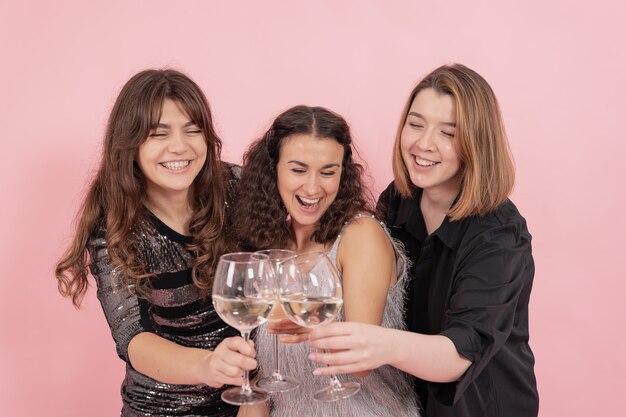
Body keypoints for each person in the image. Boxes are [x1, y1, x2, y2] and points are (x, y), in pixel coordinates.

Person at [308, 64, 539, 417]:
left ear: (477, 144)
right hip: (409, 403)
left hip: (480, 407)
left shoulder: (500, 236)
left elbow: (459, 354)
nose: (423, 143)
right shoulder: (398, 201)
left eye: (448, 133)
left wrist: (377, 344)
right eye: (415, 124)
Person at [55, 69, 257, 417]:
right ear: (130, 145)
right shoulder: (115, 227)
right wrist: (208, 365)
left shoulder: (236, 188)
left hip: (248, 403)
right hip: (160, 410)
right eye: (158, 134)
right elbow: (135, 339)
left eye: (193, 130)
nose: (180, 147)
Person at [232, 105, 420, 416]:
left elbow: (359, 365)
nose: (312, 187)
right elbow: (264, 383)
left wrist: (308, 325)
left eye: (328, 172)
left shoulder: (360, 236)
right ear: (273, 170)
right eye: (298, 169)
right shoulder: (273, 247)